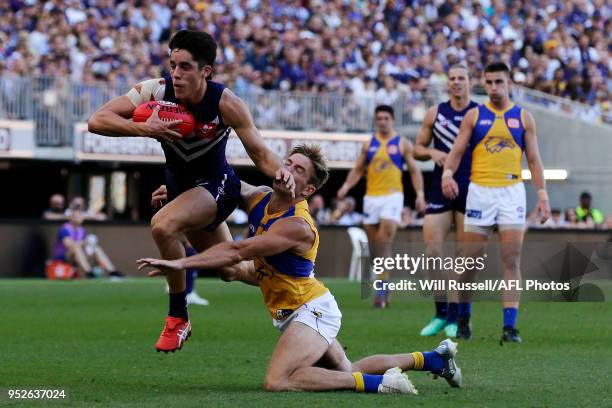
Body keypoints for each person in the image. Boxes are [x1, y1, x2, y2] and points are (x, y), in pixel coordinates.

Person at [138, 144, 461, 394]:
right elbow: (223, 188)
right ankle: (432, 359)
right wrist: (182, 195)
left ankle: (380, 385)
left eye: (298, 169)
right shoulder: (261, 196)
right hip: (294, 304)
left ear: (307, 190)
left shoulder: (296, 225)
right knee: (347, 369)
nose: (288, 169)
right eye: (288, 162)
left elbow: (239, 249)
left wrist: (181, 262)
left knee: (278, 380)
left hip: (312, 310)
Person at [88, 30, 295, 353]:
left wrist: (282, 170)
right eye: (173, 65)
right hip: (182, 190)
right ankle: (294, 281)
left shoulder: (226, 103)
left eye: (185, 66)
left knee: (163, 224)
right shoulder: (155, 91)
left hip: (219, 186)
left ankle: (178, 317)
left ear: (205, 71)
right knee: (229, 269)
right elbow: (98, 120)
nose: (176, 73)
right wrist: (144, 128)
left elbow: (260, 153)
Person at [441, 62, 551, 343]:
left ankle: (509, 326)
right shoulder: (475, 116)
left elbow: (535, 160)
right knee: (469, 262)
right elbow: (456, 151)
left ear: (509, 83)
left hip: (512, 192)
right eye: (489, 83)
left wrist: (542, 195)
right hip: (480, 192)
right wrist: (447, 174)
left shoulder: (523, 117)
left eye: (499, 82)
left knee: (511, 259)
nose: (494, 87)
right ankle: (464, 318)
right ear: (484, 84)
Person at [413, 64, 479, 338]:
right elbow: (416, 149)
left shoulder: (479, 113)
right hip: (440, 186)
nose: (456, 82)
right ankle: (441, 312)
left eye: (461, 78)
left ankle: (460, 316)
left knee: (465, 258)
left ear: (470, 82)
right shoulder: (435, 113)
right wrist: (431, 153)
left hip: (471, 187)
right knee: (433, 253)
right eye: (452, 78)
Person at [337, 105, 426, 307]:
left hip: (393, 196)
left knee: (384, 240)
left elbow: (414, 171)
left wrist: (420, 194)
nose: (383, 121)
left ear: (392, 119)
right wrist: (346, 186)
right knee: (376, 247)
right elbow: (358, 169)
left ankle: (381, 291)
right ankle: (385, 282)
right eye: (380, 118)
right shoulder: (369, 144)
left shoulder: (402, 143)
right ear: (376, 121)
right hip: (371, 199)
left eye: (386, 118)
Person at [53, 210, 123, 280]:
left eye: (80, 217)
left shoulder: (82, 230)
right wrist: (85, 241)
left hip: (79, 256)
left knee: (96, 248)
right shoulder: (65, 229)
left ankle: (112, 271)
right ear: (71, 218)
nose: (78, 218)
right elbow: (68, 245)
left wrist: (90, 244)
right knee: (76, 247)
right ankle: (89, 272)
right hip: (65, 256)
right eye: (76, 217)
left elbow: (84, 246)